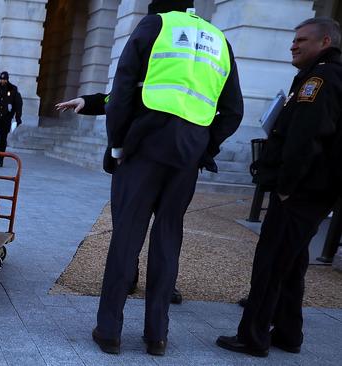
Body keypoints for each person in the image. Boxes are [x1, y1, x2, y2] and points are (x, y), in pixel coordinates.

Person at [82, 0, 244, 356]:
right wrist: (204, 147)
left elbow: (124, 88)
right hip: (188, 153)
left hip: (144, 145)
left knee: (127, 236)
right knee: (169, 238)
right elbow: (233, 111)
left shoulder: (154, 25)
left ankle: (109, 330)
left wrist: (116, 145)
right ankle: (157, 335)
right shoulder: (219, 40)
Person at [216, 17, 342, 357]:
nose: (293, 45)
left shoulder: (320, 80)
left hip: (300, 191)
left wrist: (286, 186)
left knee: (271, 262)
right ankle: (288, 331)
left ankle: (253, 337)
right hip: (312, 190)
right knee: (292, 260)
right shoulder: (321, 76)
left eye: (302, 40)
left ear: (325, 42)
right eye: (293, 39)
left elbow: (306, 138)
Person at [56, 93, 184, 306]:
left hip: (162, 158)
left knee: (164, 229)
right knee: (130, 226)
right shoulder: (147, 65)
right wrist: (88, 102)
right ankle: (129, 278)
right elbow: (117, 96)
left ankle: (162, 284)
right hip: (142, 160)